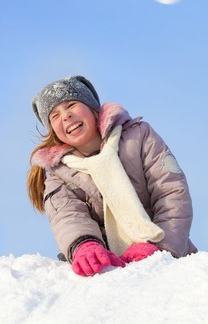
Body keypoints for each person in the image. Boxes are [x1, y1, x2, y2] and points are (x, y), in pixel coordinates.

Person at [27, 75, 197, 276]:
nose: (65, 116)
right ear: (54, 130)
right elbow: (69, 216)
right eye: (54, 115)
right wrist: (85, 246)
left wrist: (160, 246)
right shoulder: (60, 175)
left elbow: (171, 192)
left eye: (71, 104)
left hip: (167, 259)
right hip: (110, 271)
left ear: (92, 108)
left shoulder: (138, 137)